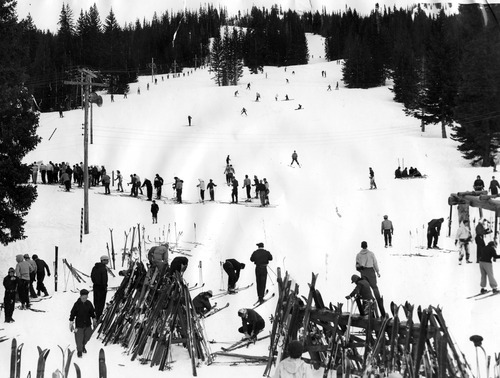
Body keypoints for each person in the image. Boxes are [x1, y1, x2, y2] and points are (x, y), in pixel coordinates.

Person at [355, 241, 385, 317]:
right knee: (375, 288)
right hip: (371, 271)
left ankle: (367, 309)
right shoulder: (371, 254)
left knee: (365, 289)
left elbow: (357, 266)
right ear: (367, 246)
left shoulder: (358, 255)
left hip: (363, 272)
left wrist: (361, 269)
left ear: (361, 246)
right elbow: (375, 263)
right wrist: (377, 271)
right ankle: (379, 304)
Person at [69, 289, 97, 358]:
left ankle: (82, 346)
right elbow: (72, 313)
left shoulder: (89, 303)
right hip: (79, 325)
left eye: (86, 297)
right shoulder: (76, 304)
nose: (85, 299)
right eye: (83, 297)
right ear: (80, 296)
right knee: (79, 338)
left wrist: (94, 319)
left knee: (88, 336)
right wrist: (71, 322)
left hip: (87, 324)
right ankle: (79, 351)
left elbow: (92, 312)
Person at [90, 255, 109, 320]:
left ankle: (96, 314)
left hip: (95, 286)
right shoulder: (103, 268)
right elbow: (104, 279)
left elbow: (92, 277)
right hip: (102, 288)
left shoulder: (95, 267)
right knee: (101, 303)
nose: (107, 261)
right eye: (106, 260)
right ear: (102, 260)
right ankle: (98, 317)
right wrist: (104, 286)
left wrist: (95, 283)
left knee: (96, 301)